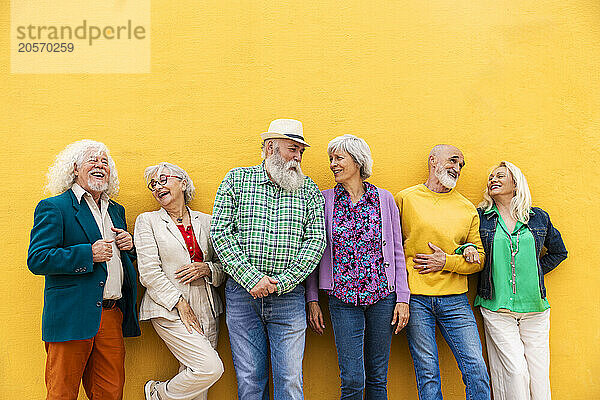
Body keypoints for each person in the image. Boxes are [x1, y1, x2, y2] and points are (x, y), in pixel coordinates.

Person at [211, 118, 326, 400]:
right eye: (292, 149)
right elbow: (221, 232)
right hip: (242, 295)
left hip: (288, 298)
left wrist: (281, 282)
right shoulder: (236, 180)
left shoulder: (308, 189)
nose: (298, 157)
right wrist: (252, 279)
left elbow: (316, 242)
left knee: (290, 382)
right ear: (270, 148)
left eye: (301, 151)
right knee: (250, 381)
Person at [27, 139, 140, 400]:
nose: (100, 165)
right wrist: (87, 254)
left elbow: (119, 260)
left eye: (105, 162)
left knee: (111, 394)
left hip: (111, 315)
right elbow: (38, 258)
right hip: (70, 314)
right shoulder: (55, 207)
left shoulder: (116, 210)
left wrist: (129, 247)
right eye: (93, 160)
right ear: (75, 168)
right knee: (62, 393)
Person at [305, 134, 409, 400]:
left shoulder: (384, 199)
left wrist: (403, 298)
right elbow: (314, 250)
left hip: (382, 297)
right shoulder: (324, 200)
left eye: (339, 158)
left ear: (357, 161)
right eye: (331, 159)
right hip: (343, 299)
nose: (333, 164)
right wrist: (313, 299)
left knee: (377, 378)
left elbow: (397, 250)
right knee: (352, 379)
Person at [462, 161, 567, 400]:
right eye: (490, 177)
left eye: (500, 175)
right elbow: (464, 243)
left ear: (516, 184)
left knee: (539, 376)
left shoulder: (538, 217)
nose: (492, 180)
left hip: (536, 309)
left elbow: (559, 252)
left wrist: (534, 271)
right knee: (516, 372)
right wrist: (467, 249)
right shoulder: (480, 218)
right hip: (497, 307)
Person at [394, 144, 490, 400]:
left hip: (455, 300)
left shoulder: (467, 209)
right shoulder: (405, 198)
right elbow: (392, 247)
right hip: (415, 299)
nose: (457, 167)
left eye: (461, 164)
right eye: (453, 160)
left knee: (476, 368)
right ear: (433, 160)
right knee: (427, 373)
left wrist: (446, 261)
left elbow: (478, 259)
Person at [134, 162, 225, 400]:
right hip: (168, 308)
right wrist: (180, 304)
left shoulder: (207, 221)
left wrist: (207, 268)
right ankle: (158, 393)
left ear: (183, 183)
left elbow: (224, 265)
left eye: (163, 179)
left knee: (198, 386)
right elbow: (148, 272)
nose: (157, 187)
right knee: (209, 368)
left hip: (207, 306)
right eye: (153, 184)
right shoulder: (148, 221)